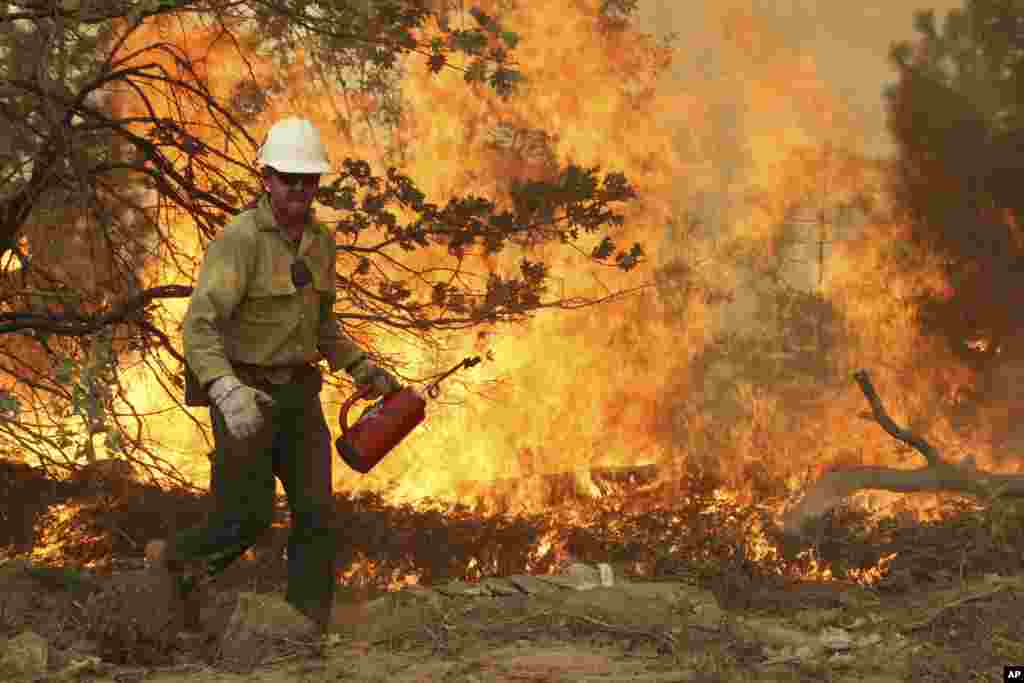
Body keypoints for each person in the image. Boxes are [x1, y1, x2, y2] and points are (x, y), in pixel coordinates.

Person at [147, 117, 401, 633]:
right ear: (266, 178)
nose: (301, 191)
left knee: (316, 515)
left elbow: (322, 324)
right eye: (290, 179)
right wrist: (225, 390)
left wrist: (362, 367)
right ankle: (170, 566)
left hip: (300, 395)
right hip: (247, 394)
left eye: (310, 181)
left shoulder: (322, 241)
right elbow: (199, 327)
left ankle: (305, 628)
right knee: (246, 517)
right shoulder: (239, 241)